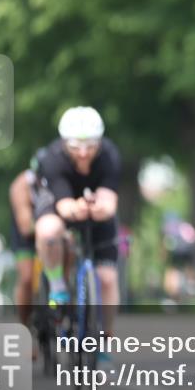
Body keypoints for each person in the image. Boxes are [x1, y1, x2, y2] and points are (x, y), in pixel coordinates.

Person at [34, 107, 123, 349]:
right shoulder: (52, 158)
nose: (83, 153)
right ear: (64, 143)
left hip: (94, 206)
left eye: (90, 146)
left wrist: (99, 209)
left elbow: (109, 201)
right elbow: (63, 206)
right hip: (61, 203)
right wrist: (76, 209)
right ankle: (58, 286)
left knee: (107, 277)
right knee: (48, 230)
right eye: (75, 147)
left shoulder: (109, 156)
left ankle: (106, 337)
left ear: (100, 142)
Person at [8, 148, 52, 328]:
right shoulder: (21, 185)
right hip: (26, 234)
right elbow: (26, 226)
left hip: (50, 230)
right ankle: (24, 324)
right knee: (27, 277)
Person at [162, 211, 195, 302]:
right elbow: (194, 238)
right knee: (190, 267)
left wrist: (164, 255)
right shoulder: (185, 225)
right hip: (190, 250)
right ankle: (192, 284)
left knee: (173, 270)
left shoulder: (168, 227)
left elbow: (165, 243)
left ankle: (173, 295)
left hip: (177, 251)